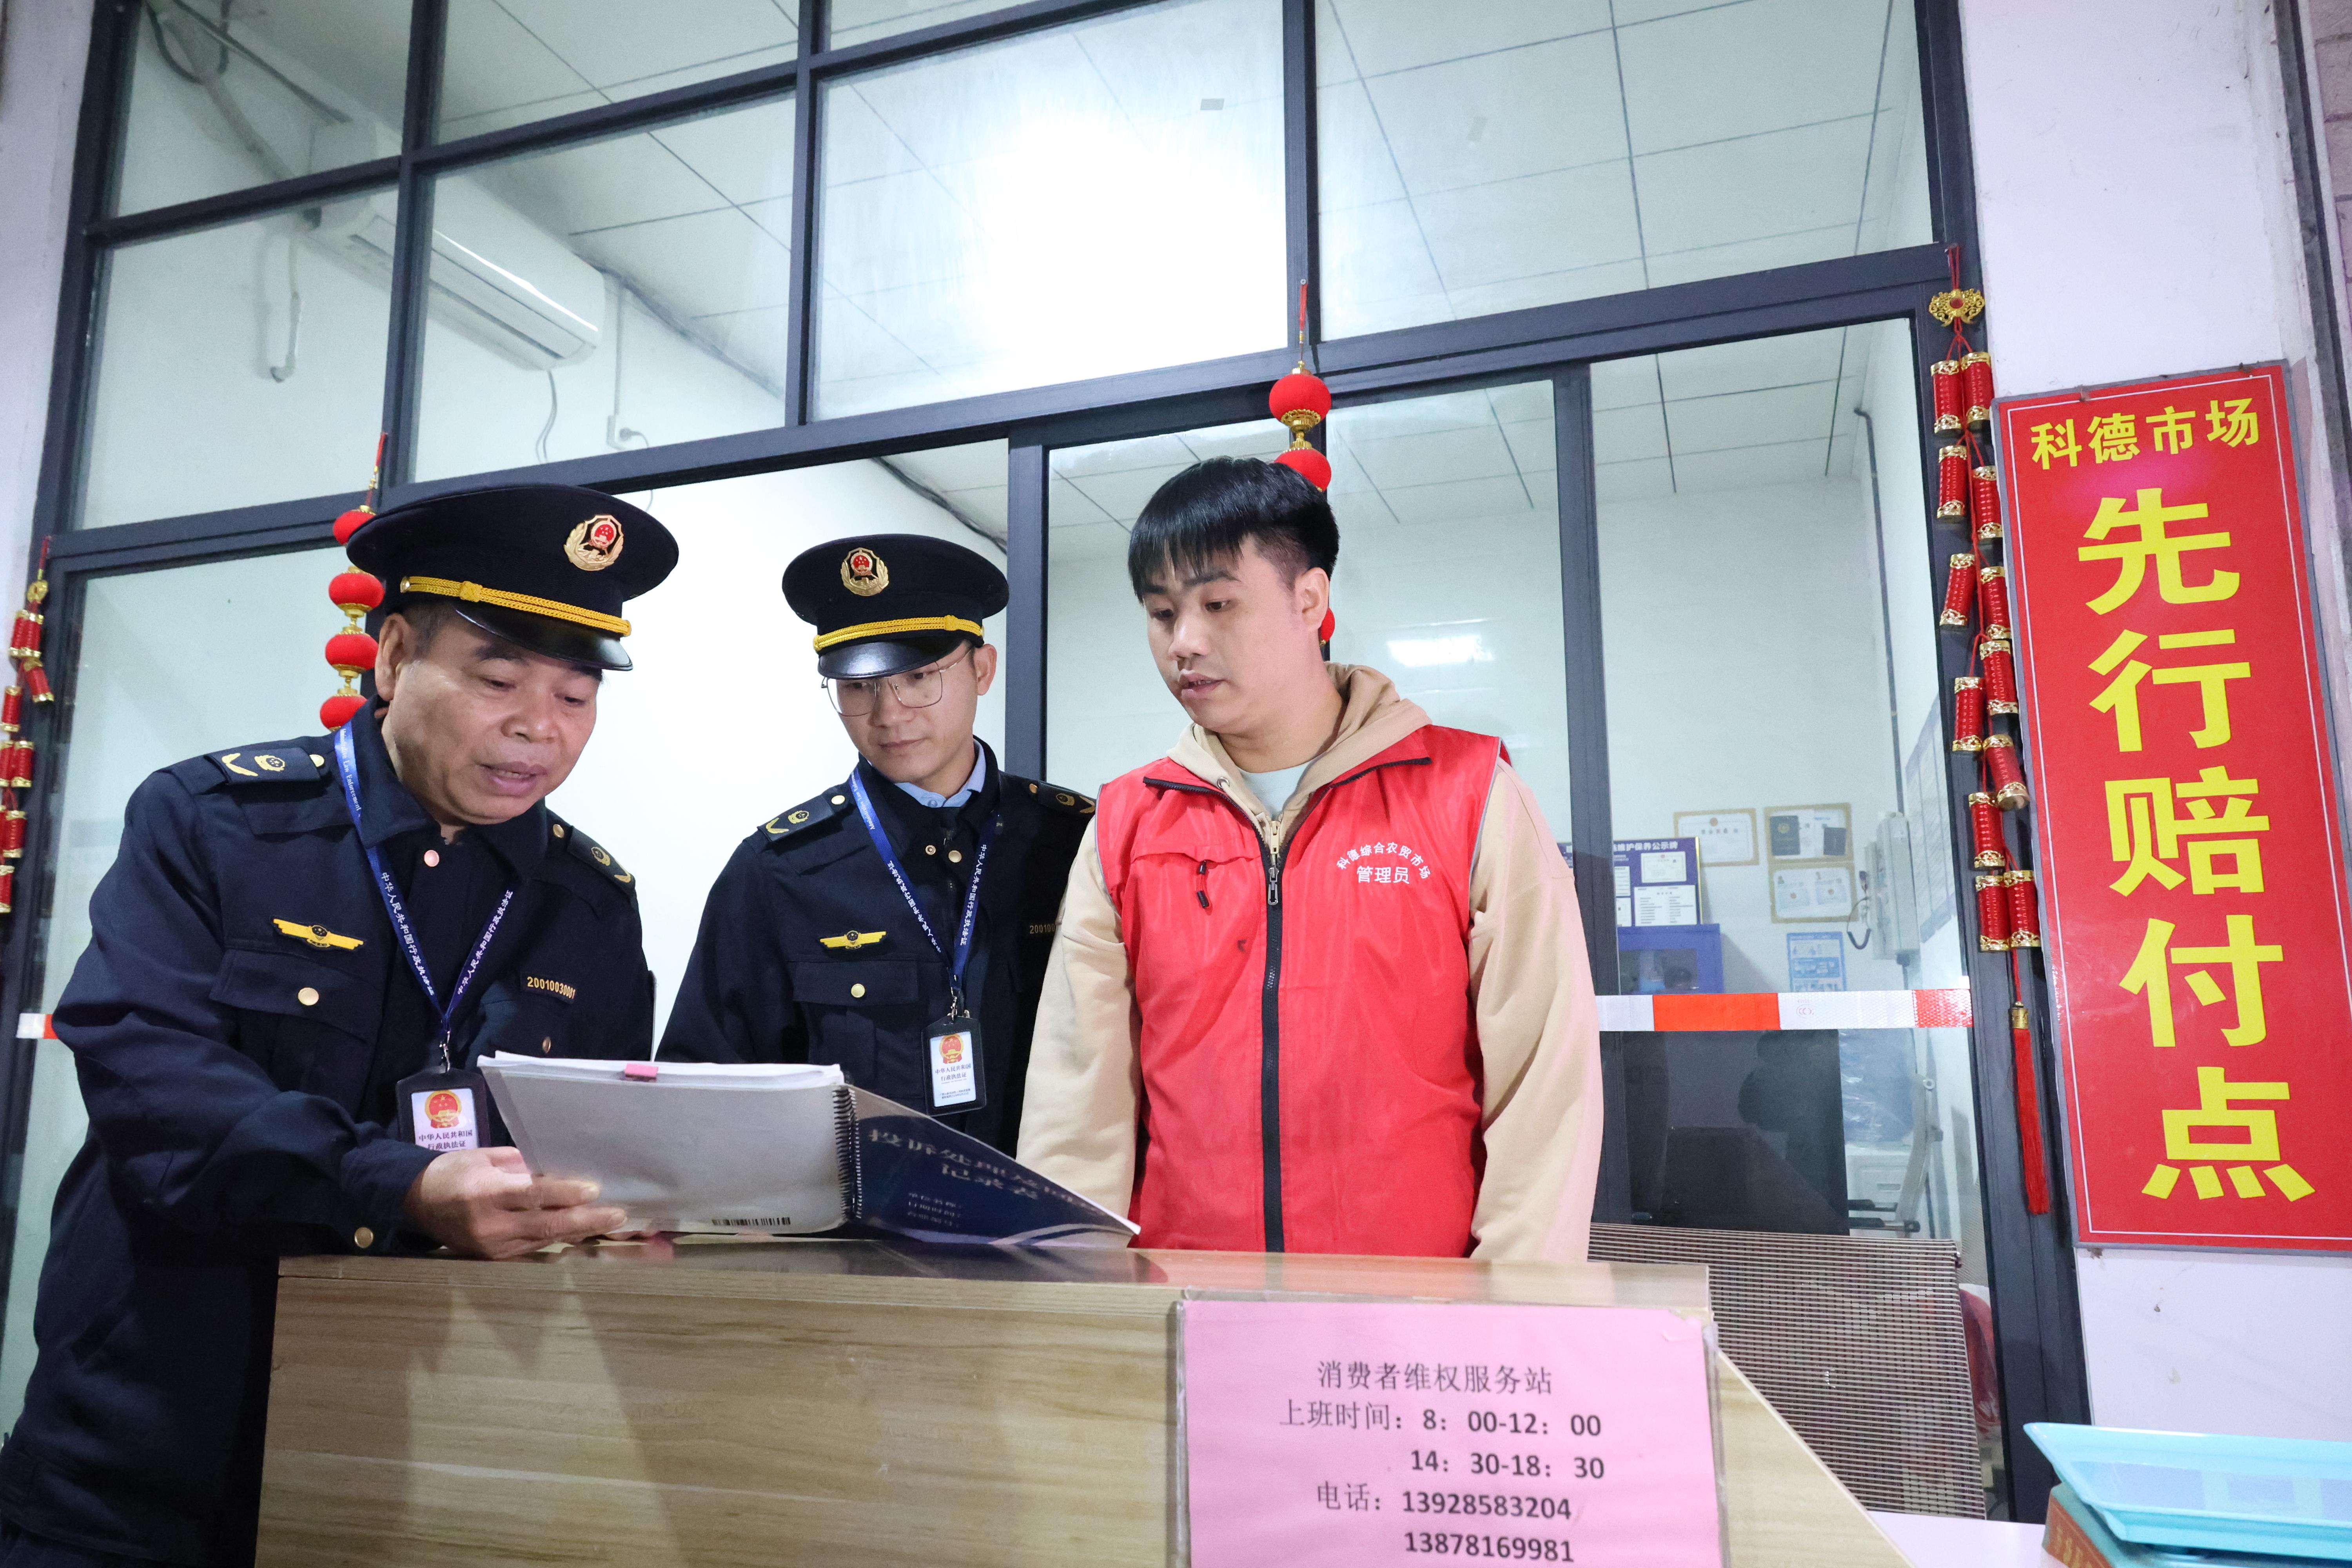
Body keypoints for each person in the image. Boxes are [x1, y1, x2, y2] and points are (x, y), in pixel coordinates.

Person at [0, 485, 675, 1567]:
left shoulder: (589, 903)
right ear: (394, 655)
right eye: (497, 679)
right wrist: (401, 1186)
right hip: (147, 1434)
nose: (538, 727)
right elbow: (153, 1080)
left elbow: (604, 1136)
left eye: (575, 695)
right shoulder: (215, 824)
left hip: (424, 1453)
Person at [1017, 457, 1602, 1260]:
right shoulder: (1128, 822)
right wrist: (1070, 1295)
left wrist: (1510, 1303)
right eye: (1161, 613)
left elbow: (1544, 1088)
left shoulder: (1470, 796)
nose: (1185, 642)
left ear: (1310, 601)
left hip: (1416, 1306)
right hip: (1187, 1300)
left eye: (1218, 604)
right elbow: (1076, 1101)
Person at [661, 534, 1092, 1152]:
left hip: (1043, 1207)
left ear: (982, 670)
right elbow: (704, 1094)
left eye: (919, 678)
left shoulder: (1073, 843)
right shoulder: (780, 872)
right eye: (858, 686)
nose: (889, 714)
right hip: (855, 1214)